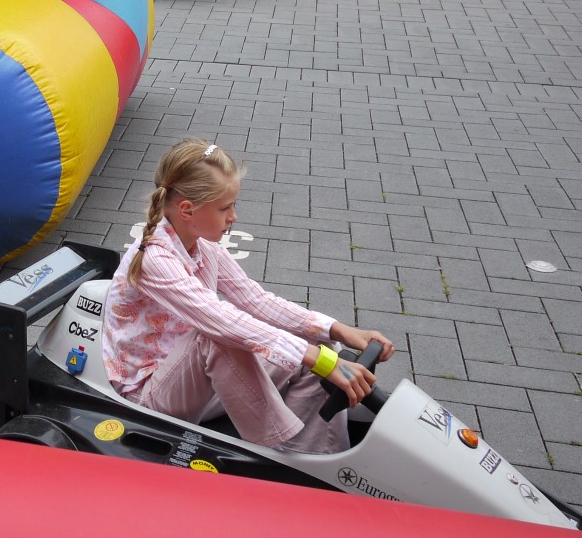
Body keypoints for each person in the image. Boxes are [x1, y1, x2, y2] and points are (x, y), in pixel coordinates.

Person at [103, 139, 394, 453]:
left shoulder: (204, 244)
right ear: (187, 210)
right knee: (217, 336)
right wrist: (318, 361)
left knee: (319, 346)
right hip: (152, 395)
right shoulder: (155, 260)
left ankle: (311, 455)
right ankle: (277, 446)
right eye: (225, 207)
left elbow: (257, 301)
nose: (234, 217)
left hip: (199, 379)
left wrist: (339, 331)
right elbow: (219, 320)